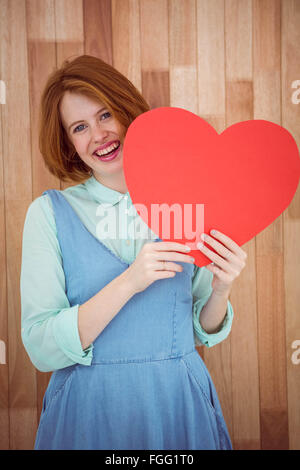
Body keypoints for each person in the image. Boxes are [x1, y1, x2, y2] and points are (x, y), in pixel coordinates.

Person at [20, 55, 247, 450]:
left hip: (178, 405)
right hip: (86, 412)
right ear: (69, 143)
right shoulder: (48, 215)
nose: (98, 135)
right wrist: (129, 282)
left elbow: (200, 329)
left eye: (106, 115)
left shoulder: (188, 200)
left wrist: (223, 287)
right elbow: (41, 346)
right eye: (80, 127)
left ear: (127, 112)